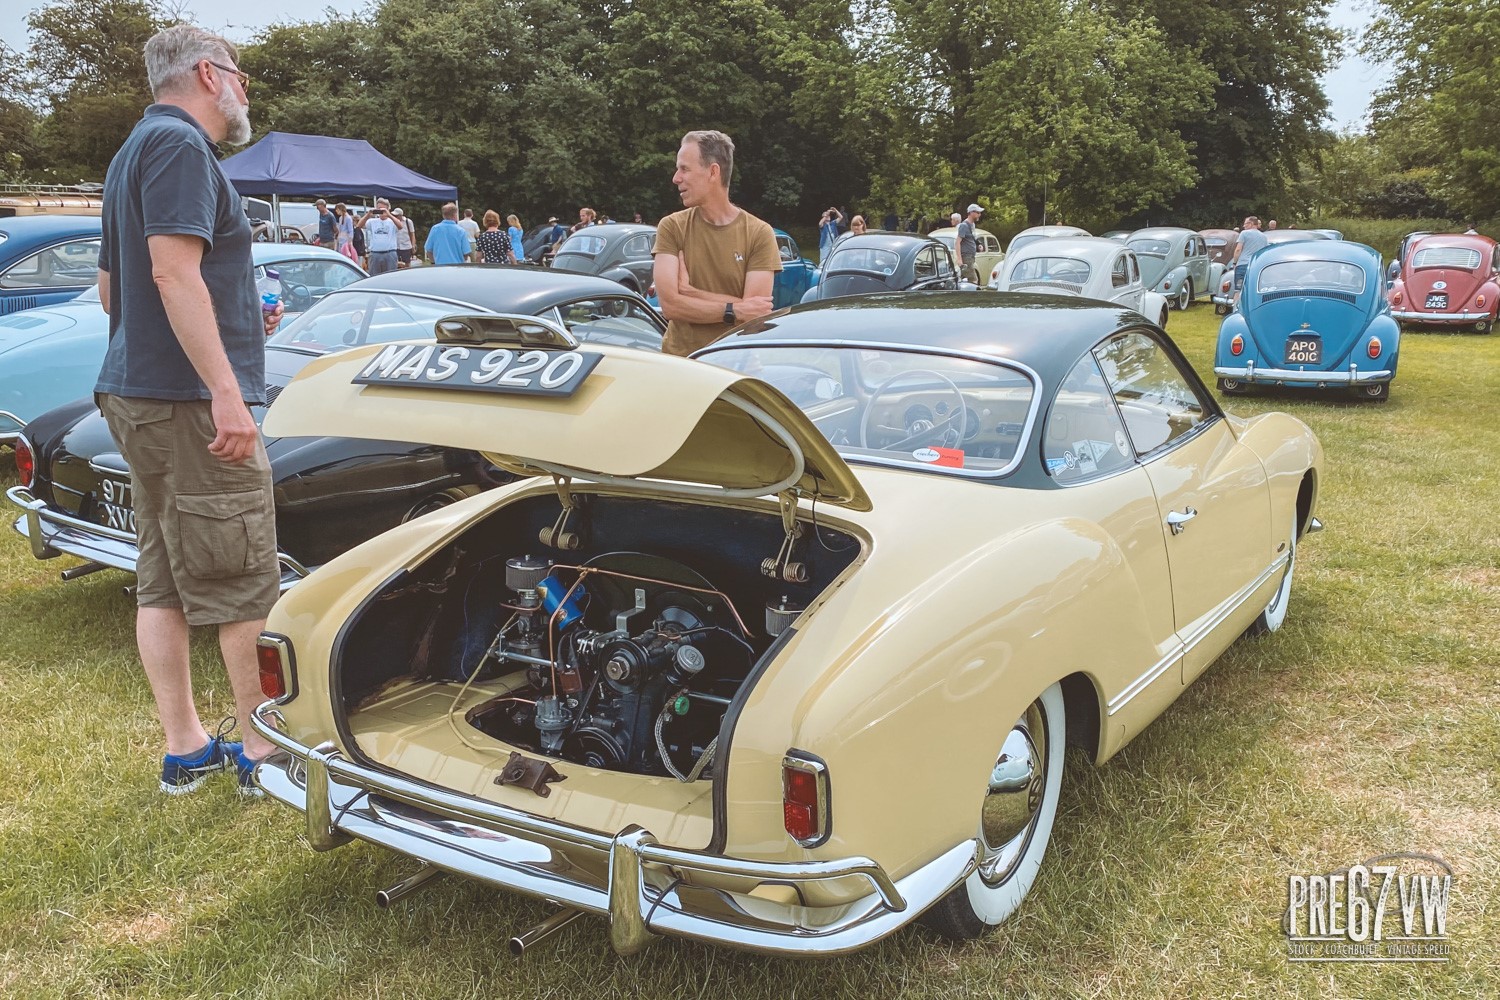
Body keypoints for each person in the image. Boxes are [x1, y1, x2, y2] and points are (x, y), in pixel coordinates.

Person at [94, 24, 280, 797]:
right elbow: (173, 275)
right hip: (187, 403)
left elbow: (115, 288)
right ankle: (266, 759)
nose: (243, 90)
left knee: (163, 576)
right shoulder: (179, 146)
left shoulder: (134, 147)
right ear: (209, 74)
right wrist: (224, 388)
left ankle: (187, 749)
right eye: (238, 74)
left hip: (140, 391)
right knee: (242, 573)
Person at [652, 129, 780, 357]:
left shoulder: (759, 233)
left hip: (736, 364)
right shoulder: (671, 227)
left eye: (684, 169)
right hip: (680, 365)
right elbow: (671, 306)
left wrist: (690, 292)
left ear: (713, 172)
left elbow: (755, 314)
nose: (676, 178)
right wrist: (735, 308)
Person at [1229, 216, 1268, 308]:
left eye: (1245, 224)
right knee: (1254, 290)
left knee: (1238, 290)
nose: (1244, 226)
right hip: (1257, 266)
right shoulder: (1264, 236)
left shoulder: (1244, 233)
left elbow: (1238, 249)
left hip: (1243, 264)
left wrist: (1235, 262)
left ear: (1251, 224)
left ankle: (1236, 309)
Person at [358, 198, 399, 274]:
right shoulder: (372, 221)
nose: (380, 211)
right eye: (378, 208)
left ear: (387, 209)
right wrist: (368, 215)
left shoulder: (392, 222)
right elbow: (359, 226)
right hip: (375, 253)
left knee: (391, 276)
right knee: (374, 276)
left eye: (383, 209)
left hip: (389, 253)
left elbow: (400, 226)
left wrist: (389, 215)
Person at [956, 203, 983, 283]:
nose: (979, 215)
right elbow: (957, 242)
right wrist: (959, 259)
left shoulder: (972, 225)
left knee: (967, 280)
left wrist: (978, 245)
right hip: (966, 258)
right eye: (978, 213)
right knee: (973, 280)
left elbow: (971, 239)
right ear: (971, 213)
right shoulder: (964, 226)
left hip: (971, 257)